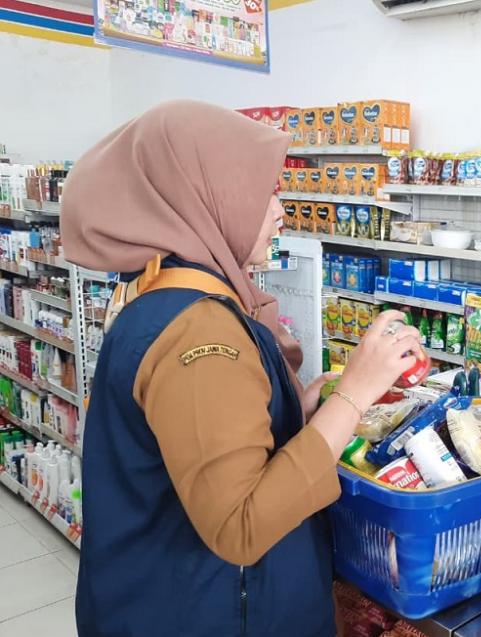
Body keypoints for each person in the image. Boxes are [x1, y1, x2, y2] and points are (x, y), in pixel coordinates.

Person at [61, 100, 422, 636]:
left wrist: (292, 409)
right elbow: (240, 524)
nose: (280, 211)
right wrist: (354, 395)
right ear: (205, 197)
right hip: (210, 614)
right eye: (264, 191)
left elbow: (199, 442)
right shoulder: (200, 332)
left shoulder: (165, 292)